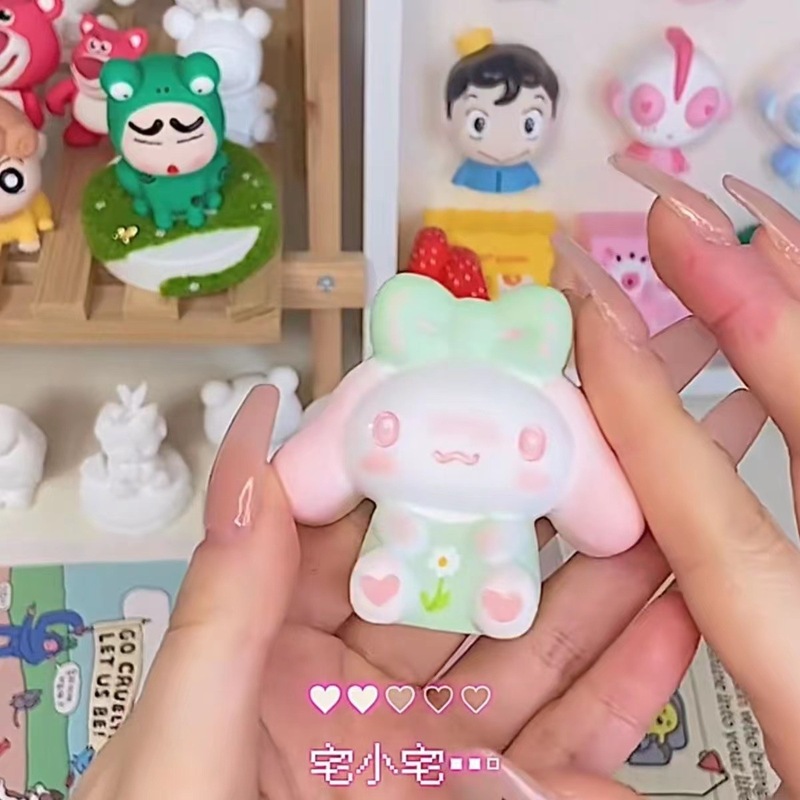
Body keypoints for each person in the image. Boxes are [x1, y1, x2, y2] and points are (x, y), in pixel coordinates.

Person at [72, 157, 799, 800]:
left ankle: (491, 588)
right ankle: (402, 578)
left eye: (519, 443)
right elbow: (309, 478)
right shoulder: (392, 399)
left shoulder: (538, 418)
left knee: (507, 578)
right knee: (398, 570)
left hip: (493, 557)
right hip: (400, 557)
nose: (461, 450)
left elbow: (609, 525)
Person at [446, 28, 559, 194]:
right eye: (478, 124)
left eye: (529, 125)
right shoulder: (466, 174)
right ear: (448, 114)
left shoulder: (527, 176)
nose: (504, 142)